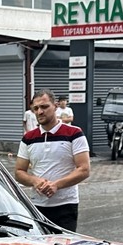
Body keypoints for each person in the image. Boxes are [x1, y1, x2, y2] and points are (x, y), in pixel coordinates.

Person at [15, 88, 91, 231]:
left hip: (66, 205)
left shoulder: (74, 133)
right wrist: (34, 181)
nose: (39, 112)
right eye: (36, 108)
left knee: (63, 244)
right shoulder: (28, 138)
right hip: (37, 205)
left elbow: (84, 169)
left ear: (55, 106)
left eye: (44, 107)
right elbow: (19, 171)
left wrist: (57, 185)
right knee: (39, 244)